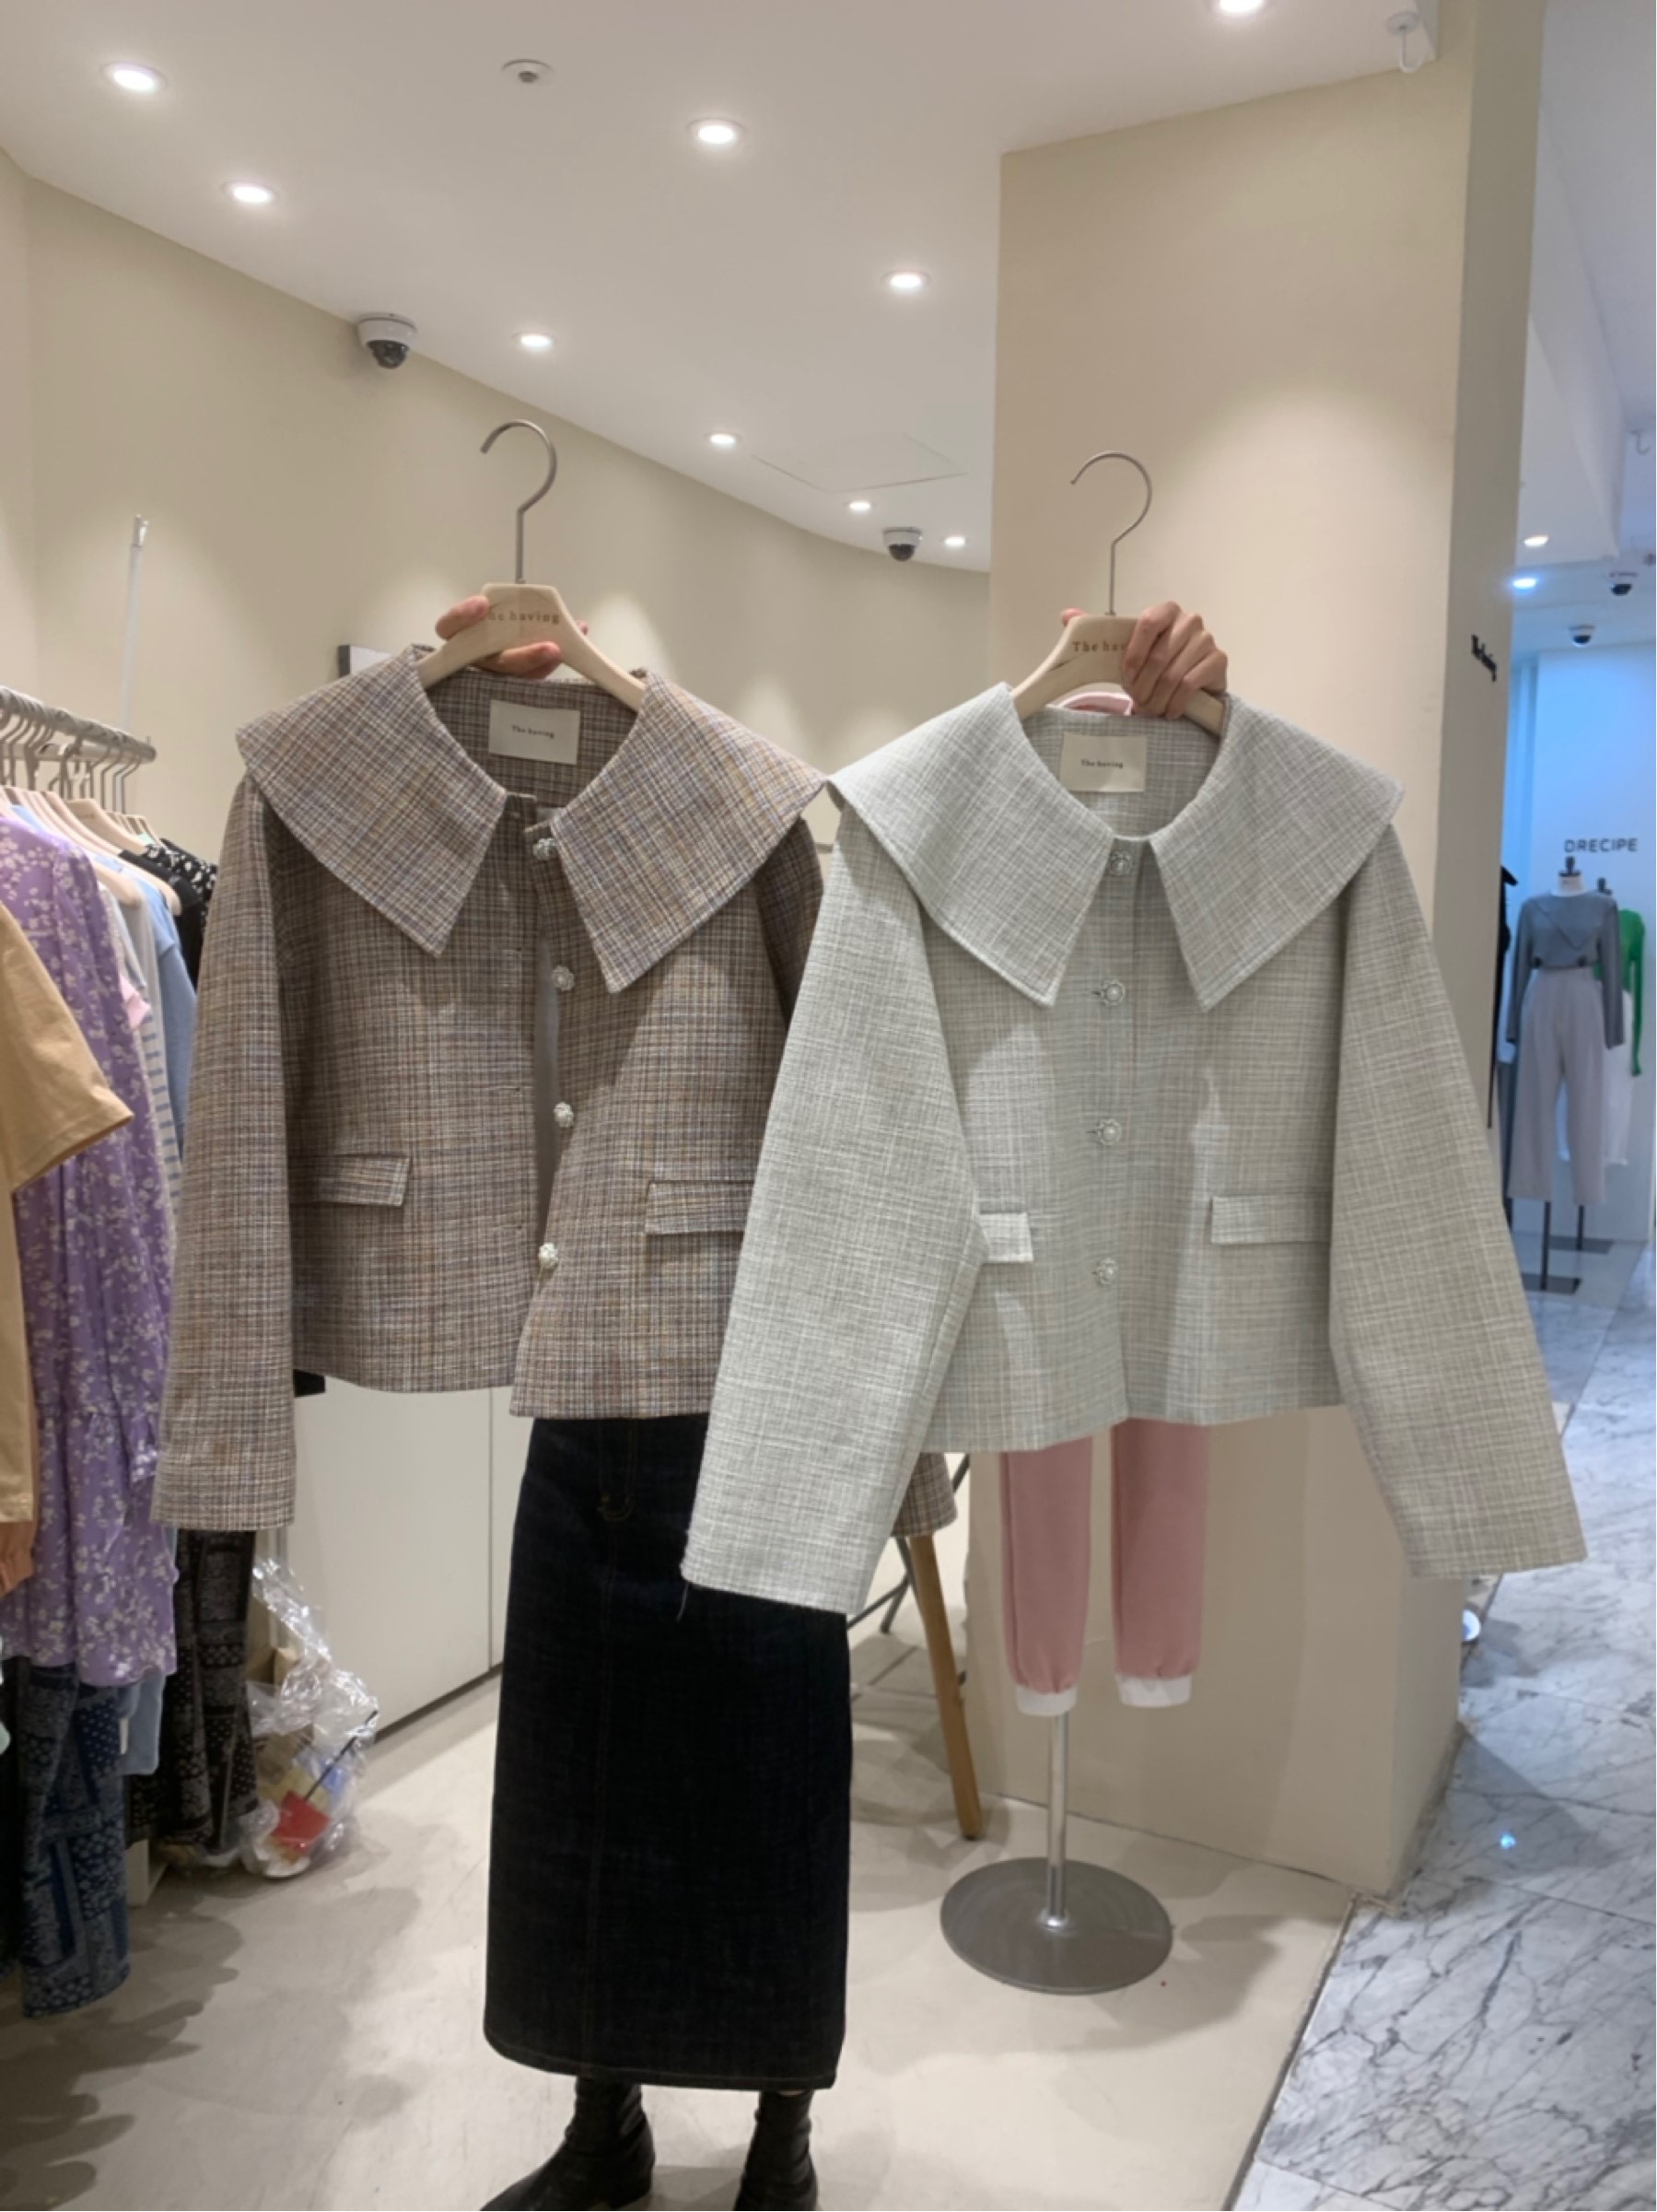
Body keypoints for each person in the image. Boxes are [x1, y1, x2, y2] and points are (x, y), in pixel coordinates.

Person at [425, 591, 1229, 2212]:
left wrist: (889, 1409)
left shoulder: (769, 826)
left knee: (772, 1785)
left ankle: (781, 2130)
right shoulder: (508, 837)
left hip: (773, 1392)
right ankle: (603, 2120)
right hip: (586, 1384)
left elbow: (879, 1086)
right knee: (580, 1785)